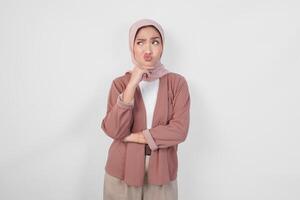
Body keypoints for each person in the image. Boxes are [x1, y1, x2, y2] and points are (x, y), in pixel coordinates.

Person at [101, 18, 191, 200]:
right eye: (140, 42)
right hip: (122, 170)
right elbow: (114, 130)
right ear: (132, 46)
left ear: (162, 46)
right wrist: (132, 83)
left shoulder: (177, 83)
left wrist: (134, 137)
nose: (148, 50)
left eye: (155, 42)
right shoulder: (120, 84)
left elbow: (179, 131)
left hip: (162, 172)